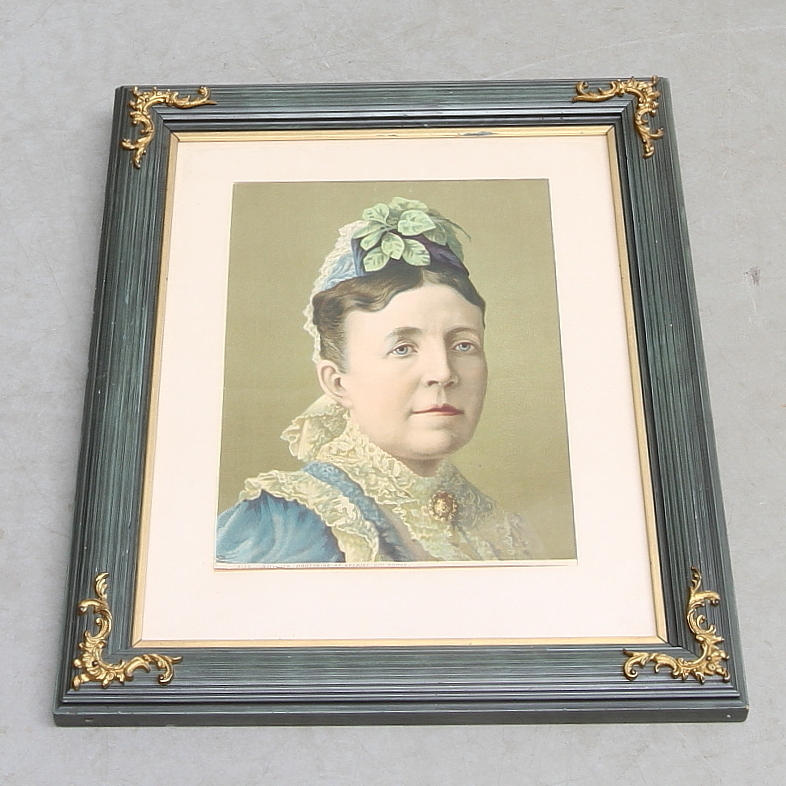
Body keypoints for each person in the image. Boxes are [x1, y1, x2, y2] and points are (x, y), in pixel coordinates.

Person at [216, 197, 537, 564]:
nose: (443, 372)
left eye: (463, 345)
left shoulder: (502, 530)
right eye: (403, 348)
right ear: (337, 383)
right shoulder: (289, 526)